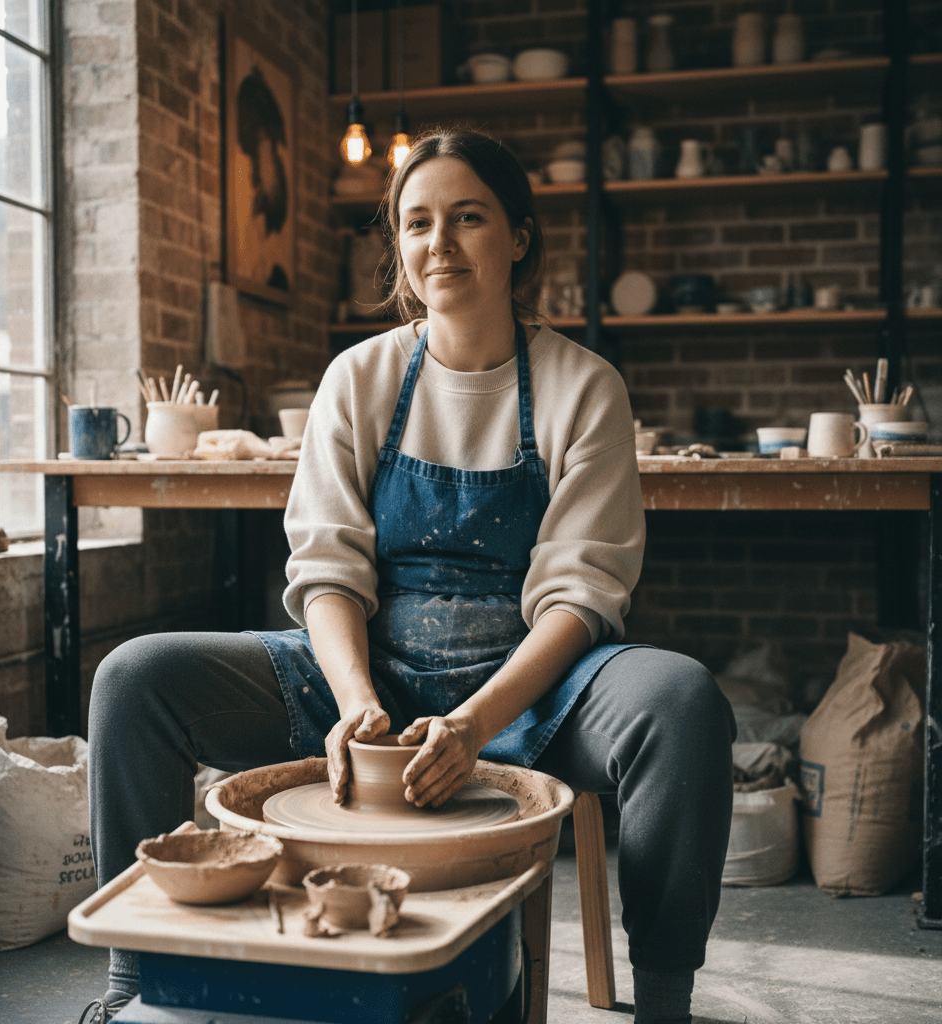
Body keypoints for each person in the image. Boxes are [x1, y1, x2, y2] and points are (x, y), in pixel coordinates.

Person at [84, 128, 735, 1024]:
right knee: (134, 679)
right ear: (398, 245)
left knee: (683, 699)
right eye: (418, 222)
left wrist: (472, 725)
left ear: (518, 236)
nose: (441, 243)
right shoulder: (360, 377)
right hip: (369, 682)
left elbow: (580, 596)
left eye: (469, 218)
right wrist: (355, 704)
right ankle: (130, 986)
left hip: (532, 696)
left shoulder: (584, 388)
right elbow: (327, 569)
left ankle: (666, 1002)